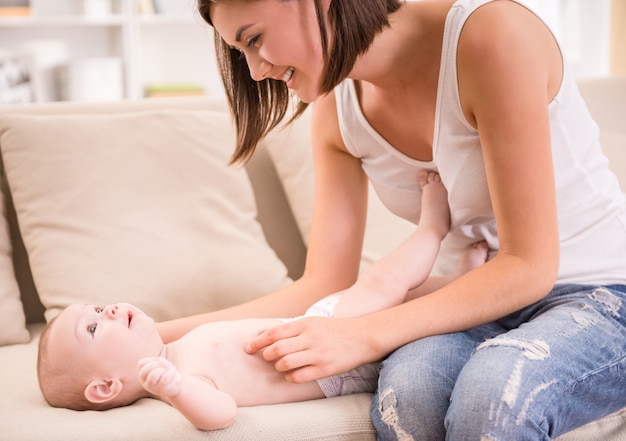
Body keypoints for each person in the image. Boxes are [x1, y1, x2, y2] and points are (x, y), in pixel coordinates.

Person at [156, 0, 626, 439]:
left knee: (492, 392)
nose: (255, 72)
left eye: (254, 39)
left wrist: (361, 334)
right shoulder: (336, 112)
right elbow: (322, 284)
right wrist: (149, 338)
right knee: (411, 396)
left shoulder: (490, 37)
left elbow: (529, 266)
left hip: (600, 293)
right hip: (474, 303)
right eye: (242, 52)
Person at [37, 173, 488, 431]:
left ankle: (458, 283)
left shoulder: (176, 347)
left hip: (318, 329)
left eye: (98, 307)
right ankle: (433, 225)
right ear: (105, 388)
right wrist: (175, 389)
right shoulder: (182, 381)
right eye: (94, 327)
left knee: (396, 295)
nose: (108, 311)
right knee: (383, 284)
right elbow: (219, 415)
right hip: (329, 356)